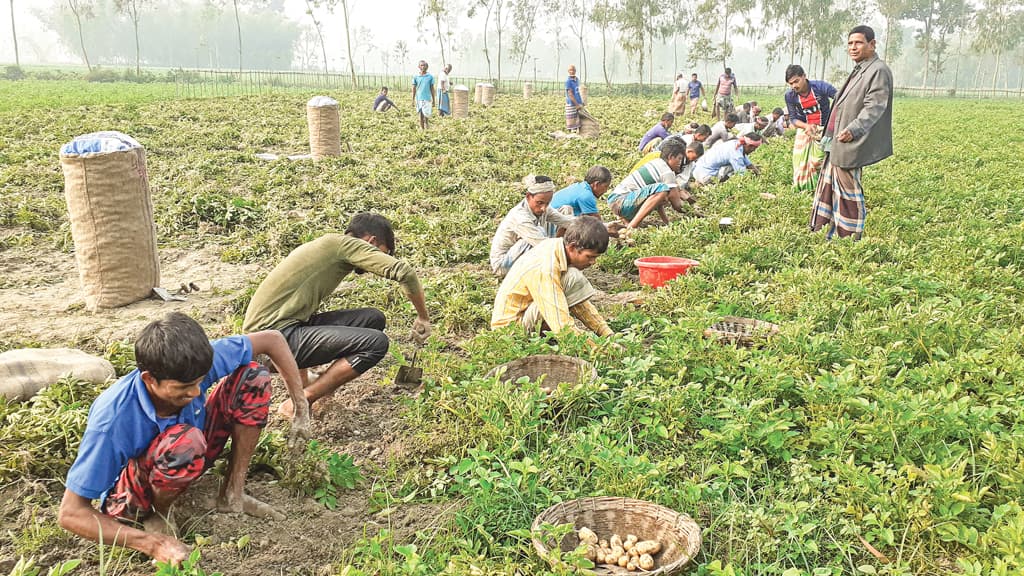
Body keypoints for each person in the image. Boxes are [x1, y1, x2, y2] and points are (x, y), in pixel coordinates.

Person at [59, 312, 311, 566]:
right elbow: (71, 513)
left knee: (253, 376)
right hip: (131, 494)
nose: (194, 392)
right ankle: (158, 514)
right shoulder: (112, 421)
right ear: (149, 379)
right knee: (185, 441)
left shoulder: (189, 366)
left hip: (188, 449)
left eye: (200, 383)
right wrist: (153, 544)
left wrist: (301, 407)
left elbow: (272, 339)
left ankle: (233, 493)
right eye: (182, 389)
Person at [243, 213, 432, 416]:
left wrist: (302, 379)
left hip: (276, 333)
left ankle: (314, 386)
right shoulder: (345, 245)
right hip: (269, 343)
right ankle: (300, 403)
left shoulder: (328, 247)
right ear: (371, 241)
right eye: (381, 252)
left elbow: (299, 317)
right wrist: (423, 317)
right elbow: (405, 272)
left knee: (373, 319)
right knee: (376, 344)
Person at [810, 25, 893, 240]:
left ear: (872, 44)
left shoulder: (878, 70)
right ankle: (824, 230)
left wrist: (853, 129)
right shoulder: (861, 68)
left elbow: (874, 106)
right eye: (849, 43)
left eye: (858, 43)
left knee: (847, 190)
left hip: (850, 139)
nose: (853, 48)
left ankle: (848, 237)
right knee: (829, 185)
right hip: (838, 139)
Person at [491, 217, 614, 340]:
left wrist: (606, 332)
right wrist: (598, 348)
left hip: (527, 313)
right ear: (572, 247)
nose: (593, 262)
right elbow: (560, 323)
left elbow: (579, 303)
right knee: (572, 278)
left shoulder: (556, 249)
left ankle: (545, 336)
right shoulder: (545, 267)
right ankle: (538, 339)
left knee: (571, 277)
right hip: (510, 331)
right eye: (590, 256)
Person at [607, 138, 703, 231]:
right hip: (621, 202)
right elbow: (677, 205)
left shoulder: (657, 163)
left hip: (616, 202)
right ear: (670, 157)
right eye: (679, 159)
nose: (680, 163)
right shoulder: (667, 172)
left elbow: (658, 201)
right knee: (663, 190)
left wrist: (667, 222)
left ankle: (627, 220)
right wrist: (693, 213)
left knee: (662, 194)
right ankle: (631, 227)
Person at [490, 175, 576, 276]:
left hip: (536, 244)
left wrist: (589, 226)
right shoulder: (520, 217)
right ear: (528, 196)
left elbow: (565, 220)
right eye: (539, 203)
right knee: (538, 233)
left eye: (547, 203)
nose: (543, 208)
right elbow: (542, 244)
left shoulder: (543, 209)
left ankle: (558, 259)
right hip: (504, 264)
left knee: (566, 210)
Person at [785, 64, 838, 194]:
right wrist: (806, 126)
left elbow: (840, 98)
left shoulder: (820, 87)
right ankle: (803, 189)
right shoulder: (790, 96)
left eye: (796, 81)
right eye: (790, 83)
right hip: (804, 129)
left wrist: (834, 121)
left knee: (817, 161)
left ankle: (821, 188)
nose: (794, 86)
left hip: (823, 129)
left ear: (804, 76)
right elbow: (793, 118)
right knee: (799, 161)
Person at [692, 133, 763, 185]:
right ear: (750, 146)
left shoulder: (737, 144)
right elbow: (742, 174)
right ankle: (716, 185)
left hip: (698, 170)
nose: (754, 150)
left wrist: (759, 173)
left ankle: (702, 182)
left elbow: (748, 164)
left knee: (740, 165)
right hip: (705, 176)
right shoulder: (736, 154)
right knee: (734, 168)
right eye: (754, 148)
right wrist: (755, 185)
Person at [411, 60, 436, 130]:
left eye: (424, 65)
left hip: (427, 98)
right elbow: (413, 88)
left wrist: (434, 100)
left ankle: (427, 125)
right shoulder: (416, 77)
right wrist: (412, 100)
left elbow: (432, 89)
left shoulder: (430, 77)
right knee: (421, 114)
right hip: (419, 98)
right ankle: (422, 129)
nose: (423, 67)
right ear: (418, 67)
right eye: (421, 65)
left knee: (426, 114)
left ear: (427, 67)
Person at [565, 64, 585, 132]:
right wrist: (576, 104)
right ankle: (571, 136)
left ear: (575, 71)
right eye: (570, 70)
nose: (572, 71)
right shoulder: (568, 81)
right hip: (571, 104)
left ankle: (578, 135)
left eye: (573, 70)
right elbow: (570, 94)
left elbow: (579, 91)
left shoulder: (577, 80)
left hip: (578, 103)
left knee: (578, 122)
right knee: (572, 123)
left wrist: (581, 102)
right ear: (568, 71)